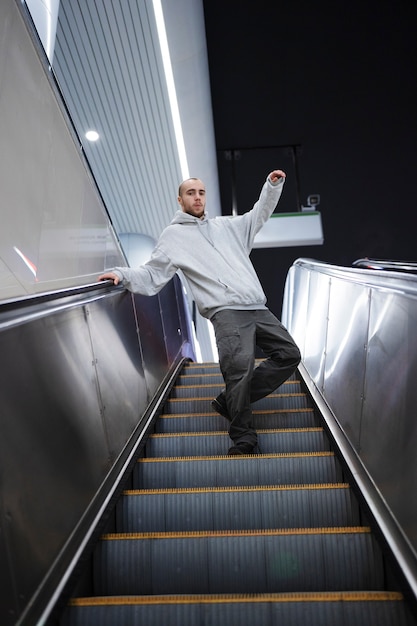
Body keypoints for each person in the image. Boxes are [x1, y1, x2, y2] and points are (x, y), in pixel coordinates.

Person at [98, 170, 301, 455]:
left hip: (256, 306)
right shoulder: (173, 237)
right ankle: (244, 438)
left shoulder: (227, 227)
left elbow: (259, 214)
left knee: (290, 354)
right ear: (180, 199)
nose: (197, 197)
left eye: (201, 192)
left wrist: (272, 186)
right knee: (238, 370)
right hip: (225, 311)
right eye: (191, 193)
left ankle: (230, 401)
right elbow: (153, 273)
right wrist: (122, 274)